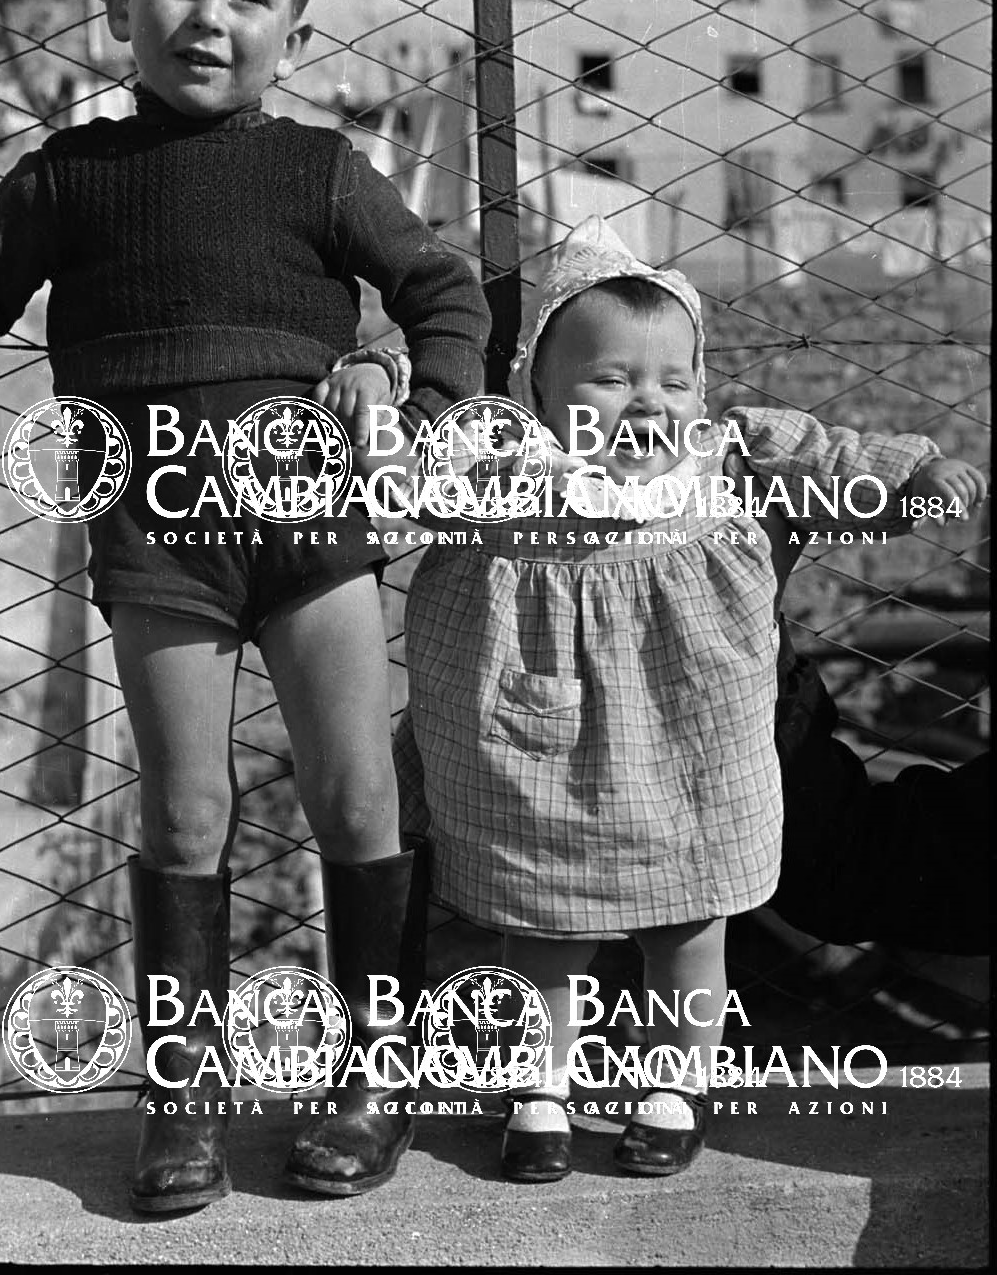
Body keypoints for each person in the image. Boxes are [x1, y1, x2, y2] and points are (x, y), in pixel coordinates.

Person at [0, 0, 490, 1211]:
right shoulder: (66, 178)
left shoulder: (322, 171)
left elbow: (442, 289)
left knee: (356, 799)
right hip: (160, 538)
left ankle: (375, 1073)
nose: (209, 15)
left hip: (316, 533)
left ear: (292, 34)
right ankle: (182, 1091)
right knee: (185, 808)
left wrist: (424, 411)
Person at [394, 215, 986, 1184]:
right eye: (609, 378)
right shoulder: (509, 473)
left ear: (701, 391)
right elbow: (411, 477)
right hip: (545, 752)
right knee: (544, 926)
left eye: (674, 381)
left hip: (693, 745)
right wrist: (378, 421)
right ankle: (539, 1085)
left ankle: (674, 1083)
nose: (647, 401)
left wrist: (914, 477)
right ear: (536, 389)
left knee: (690, 922)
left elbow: (829, 458)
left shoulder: (728, 459)